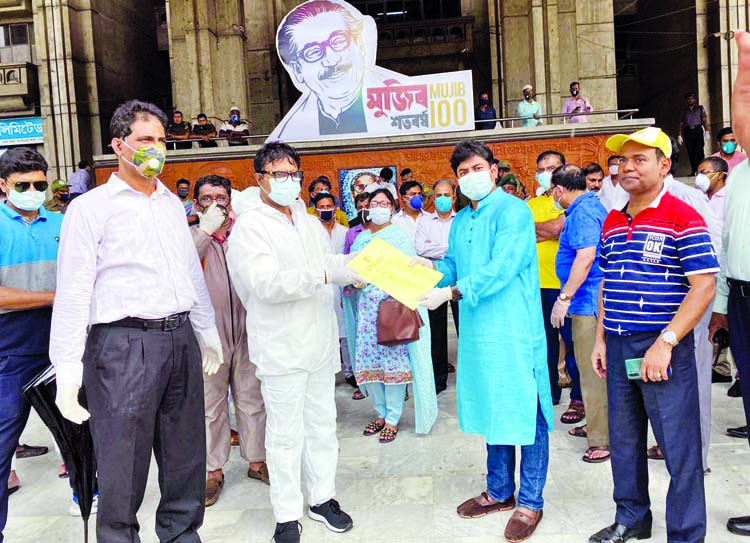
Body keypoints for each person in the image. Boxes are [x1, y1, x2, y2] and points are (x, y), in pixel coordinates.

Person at [50, 99, 224, 543]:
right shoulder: (90, 209)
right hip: (123, 345)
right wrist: (68, 372)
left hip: (178, 338)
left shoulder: (170, 204)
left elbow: (189, 274)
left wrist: (206, 333)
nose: (156, 149)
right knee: (123, 465)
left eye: (162, 140)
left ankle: (182, 534)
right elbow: (73, 293)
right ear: (119, 145)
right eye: (145, 139)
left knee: (186, 455)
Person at [416, 140, 553, 542]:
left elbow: (503, 267)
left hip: (513, 329)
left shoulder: (514, 212)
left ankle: (530, 500)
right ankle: (499, 490)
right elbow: (454, 265)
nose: (469, 176)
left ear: (494, 171)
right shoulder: (460, 221)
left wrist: (454, 292)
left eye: (477, 168)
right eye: (462, 172)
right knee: (495, 405)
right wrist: (425, 271)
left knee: (527, 410)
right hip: (479, 333)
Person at [589, 126, 718, 543]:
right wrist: (602, 339)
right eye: (623, 160)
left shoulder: (684, 216)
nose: (627, 166)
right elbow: (607, 281)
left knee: (678, 449)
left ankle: (685, 533)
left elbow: (704, 285)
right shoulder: (612, 218)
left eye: (639, 159)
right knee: (624, 441)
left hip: (664, 347)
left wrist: (666, 342)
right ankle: (632, 518)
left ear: (665, 166)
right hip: (621, 342)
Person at [226, 141, 357, 543]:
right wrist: (324, 277)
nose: (288, 182)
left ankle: (322, 498)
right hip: (281, 347)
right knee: (284, 434)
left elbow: (329, 263)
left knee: (322, 425)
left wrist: (357, 267)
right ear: (260, 178)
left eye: (293, 174)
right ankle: (286, 514)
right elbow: (264, 283)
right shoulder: (250, 226)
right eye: (278, 174)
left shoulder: (306, 218)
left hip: (317, 342)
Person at [190, 174, 268, 507]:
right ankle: (212, 470)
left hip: (250, 328)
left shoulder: (243, 233)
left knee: (252, 397)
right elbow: (180, 267)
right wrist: (205, 230)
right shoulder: (191, 237)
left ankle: (256, 459)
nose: (215, 204)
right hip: (209, 334)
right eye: (207, 198)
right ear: (196, 204)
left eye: (221, 197)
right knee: (210, 404)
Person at [0, 147, 63, 542]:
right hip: (12, 349)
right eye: (23, 185)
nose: (33, 191)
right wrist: (59, 296)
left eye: (39, 184)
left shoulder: (62, 222)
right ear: (3, 185)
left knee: (84, 436)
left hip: (64, 345)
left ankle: (87, 501)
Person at [344, 187, 437, 442]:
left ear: (393, 208)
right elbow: (350, 270)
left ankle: (394, 418)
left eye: (385, 203)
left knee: (393, 364)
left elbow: (411, 274)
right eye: (375, 202)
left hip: (392, 309)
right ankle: (380, 413)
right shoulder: (361, 239)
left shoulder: (400, 237)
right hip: (366, 312)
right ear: (366, 206)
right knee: (369, 364)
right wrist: (354, 281)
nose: (380, 207)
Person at [708, 29, 750, 537]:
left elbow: (742, 101)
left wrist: (743, 58)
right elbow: (728, 246)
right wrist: (721, 302)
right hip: (740, 293)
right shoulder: (738, 173)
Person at [270, 0, 412, 142]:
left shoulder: (409, 104)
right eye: (313, 52)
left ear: (360, 44)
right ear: (297, 70)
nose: (331, 60)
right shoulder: (290, 134)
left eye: (338, 41)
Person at [549, 165, 609, 463]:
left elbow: (586, 258)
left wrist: (565, 297)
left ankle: (603, 439)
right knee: (590, 371)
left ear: (560, 189)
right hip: (586, 301)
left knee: (592, 371)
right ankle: (599, 426)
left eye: (552, 192)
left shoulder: (583, 213)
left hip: (587, 302)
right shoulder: (587, 208)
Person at [528, 150, 583, 421]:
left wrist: (546, 229)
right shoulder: (533, 204)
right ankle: (548, 392)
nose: (546, 173)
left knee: (574, 344)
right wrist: (547, 229)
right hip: (537, 285)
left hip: (568, 287)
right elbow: (525, 230)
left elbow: (555, 228)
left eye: (552, 167)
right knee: (544, 344)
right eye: (541, 168)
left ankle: (579, 398)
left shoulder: (571, 201)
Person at [415, 179, 458, 394]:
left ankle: (468, 377)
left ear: (454, 197)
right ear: (433, 198)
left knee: (465, 328)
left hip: (459, 279)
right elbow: (420, 248)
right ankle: (438, 378)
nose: (442, 199)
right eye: (438, 195)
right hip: (433, 280)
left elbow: (460, 251)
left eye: (446, 194)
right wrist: (448, 250)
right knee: (436, 332)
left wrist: (437, 249)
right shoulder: (424, 221)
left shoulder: (461, 220)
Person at [311, 191, 355, 399]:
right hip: (321, 284)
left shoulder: (344, 232)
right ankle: (326, 373)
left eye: (330, 206)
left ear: (335, 209)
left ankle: (350, 372)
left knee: (345, 329)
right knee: (323, 330)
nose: (326, 210)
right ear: (315, 209)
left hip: (341, 285)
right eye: (322, 206)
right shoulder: (311, 232)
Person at [678, 91, 710, 175]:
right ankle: (694, 170)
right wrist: (679, 135)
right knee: (691, 152)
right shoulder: (684, 111)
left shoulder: (700, 108)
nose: (690, 100)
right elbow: (681, 123)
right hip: (688, 131)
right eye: (688, 99)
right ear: (686, 100)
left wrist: (707, 131)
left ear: (695, 100)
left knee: (699, 151)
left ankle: (701, 170)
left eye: (692, 99)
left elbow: (704, 120)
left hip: (697, 130)